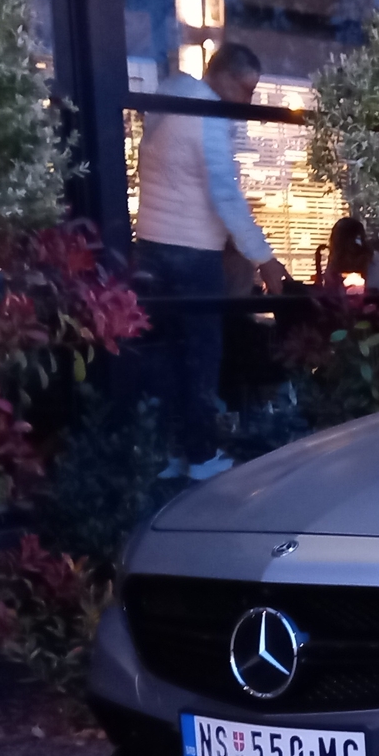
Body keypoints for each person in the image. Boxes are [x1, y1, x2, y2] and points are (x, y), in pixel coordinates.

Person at [132, 42, 288, 479]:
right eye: (246, 89)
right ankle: (200, 456)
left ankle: (166, 454)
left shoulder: (169, 101)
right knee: (201, 354)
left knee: (164, 354)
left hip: (150, 245)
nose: (250, 101)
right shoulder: (207, 116)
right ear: (220, 77)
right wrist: (264, 259)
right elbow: (225, 193)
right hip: (193, 253)